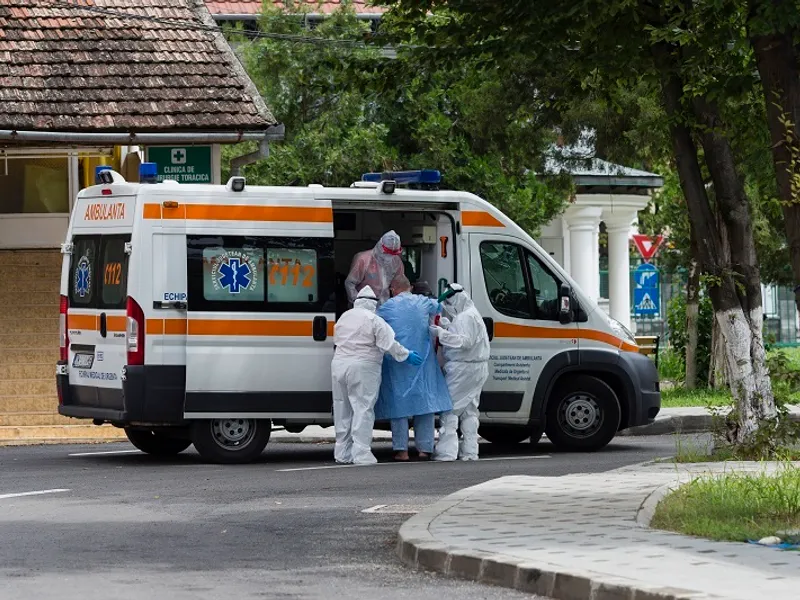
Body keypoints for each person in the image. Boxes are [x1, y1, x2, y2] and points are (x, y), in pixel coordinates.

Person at [331, 286, 424, 465]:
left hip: (339, 365)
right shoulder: (374, 319)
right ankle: (361, 453)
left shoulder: (344, 317)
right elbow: (389, 344)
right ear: (373, 303)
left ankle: (342, 452)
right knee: (363, 408)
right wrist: (406, 355)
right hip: (363, 366)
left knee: (342, 407)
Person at [374, 277, 452, 461]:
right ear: (410, 288)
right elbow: (440, 307)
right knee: (425, 404)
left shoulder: (387, 307)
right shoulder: (423, 301)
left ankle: (402, 451)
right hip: (423, 362)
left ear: (393, 289)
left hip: (398, 362)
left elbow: (375, 324)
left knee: (398, 405)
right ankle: (425, 449)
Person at [429, 283, 490, 461]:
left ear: (458, 298)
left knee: (450, 409)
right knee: (469, 410)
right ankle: (470, 451)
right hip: (475, 368)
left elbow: (465, 342)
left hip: (463, 369)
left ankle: (446, 452)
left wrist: (442, 334)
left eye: (450, 301)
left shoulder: (466, 317)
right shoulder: (469, 315)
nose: (448, 306)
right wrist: (448, 327)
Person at [344, 230, 405, 306]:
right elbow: (350, 283)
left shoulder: (396, 261)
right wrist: (358, 303)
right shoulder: (363, 259)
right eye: (387, 253)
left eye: (393, 254)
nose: (389, 256)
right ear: (380, 246)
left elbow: (401, 284)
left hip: (385, 306)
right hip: (364, 306)